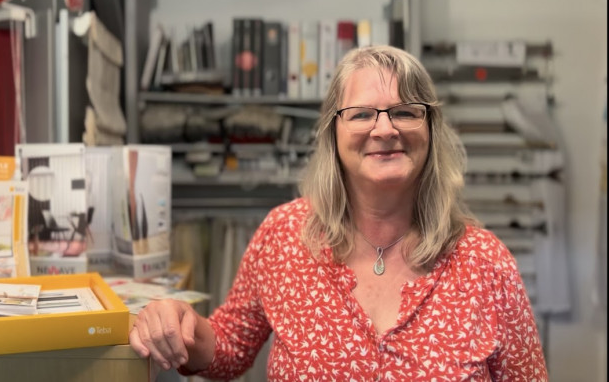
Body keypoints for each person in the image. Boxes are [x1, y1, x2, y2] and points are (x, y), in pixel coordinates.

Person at [129, 45, 547, 381]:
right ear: (333, 134)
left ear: (431, 129)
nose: (385, 129)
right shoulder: (285, 235)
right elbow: (230, 347)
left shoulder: (486, 264)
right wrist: (180, 324)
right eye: (362, 114)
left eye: (405, 112)